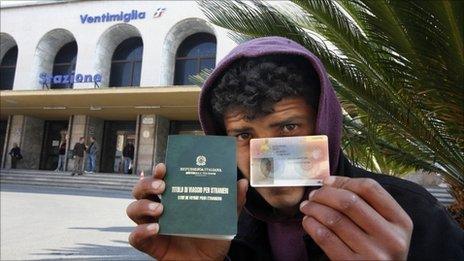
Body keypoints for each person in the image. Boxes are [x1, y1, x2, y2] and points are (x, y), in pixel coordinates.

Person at [126, 37, 463, 260]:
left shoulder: (406, 211)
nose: (266, 156)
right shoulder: (218, 225)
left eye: (288, 127)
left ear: (323, 125)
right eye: (244, 135)